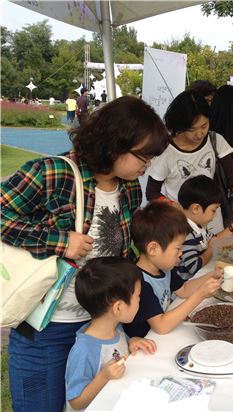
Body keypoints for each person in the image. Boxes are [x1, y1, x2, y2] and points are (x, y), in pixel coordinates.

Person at [1, 96, 169, 411]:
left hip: (100, 326)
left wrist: (128, 331)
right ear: (115, 144)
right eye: (142, 156)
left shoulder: (129, 188)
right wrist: (59, 241)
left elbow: (121, 262)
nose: (147, 166)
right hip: (45, 330)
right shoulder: (53, 173)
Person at [146, 90, 233, 234]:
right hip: (181, 224)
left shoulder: (215, 140)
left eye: (204, 126)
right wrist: (177, 209)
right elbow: (152, 192)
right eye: (192, 129)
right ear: (180, 125)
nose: (199, 134)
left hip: (212, 221)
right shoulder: (165, 150)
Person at [65, 257, 157, 410]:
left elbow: (117, 348)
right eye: (138, 297)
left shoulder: (116, 329)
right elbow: (76, 402)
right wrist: (103, 377)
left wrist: (131, 341)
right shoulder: (84, 350)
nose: (140, 301)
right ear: (118, 308)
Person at [123, 201, 222, 338]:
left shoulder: (164, 268)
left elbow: (184, 289)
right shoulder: (139, 282)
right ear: (153, 249)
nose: (181, 253)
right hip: (142, 344)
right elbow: (161, 326)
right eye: (178, 248)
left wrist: (212, 275)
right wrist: (200, 295)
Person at [174, 175, 233, 280]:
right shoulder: (185, 233)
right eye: (213, 210)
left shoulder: (197, 227)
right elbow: (193, 267)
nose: (215, 215)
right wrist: (210, 250)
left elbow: (213, 239)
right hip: (188, 284)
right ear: (196, 209)